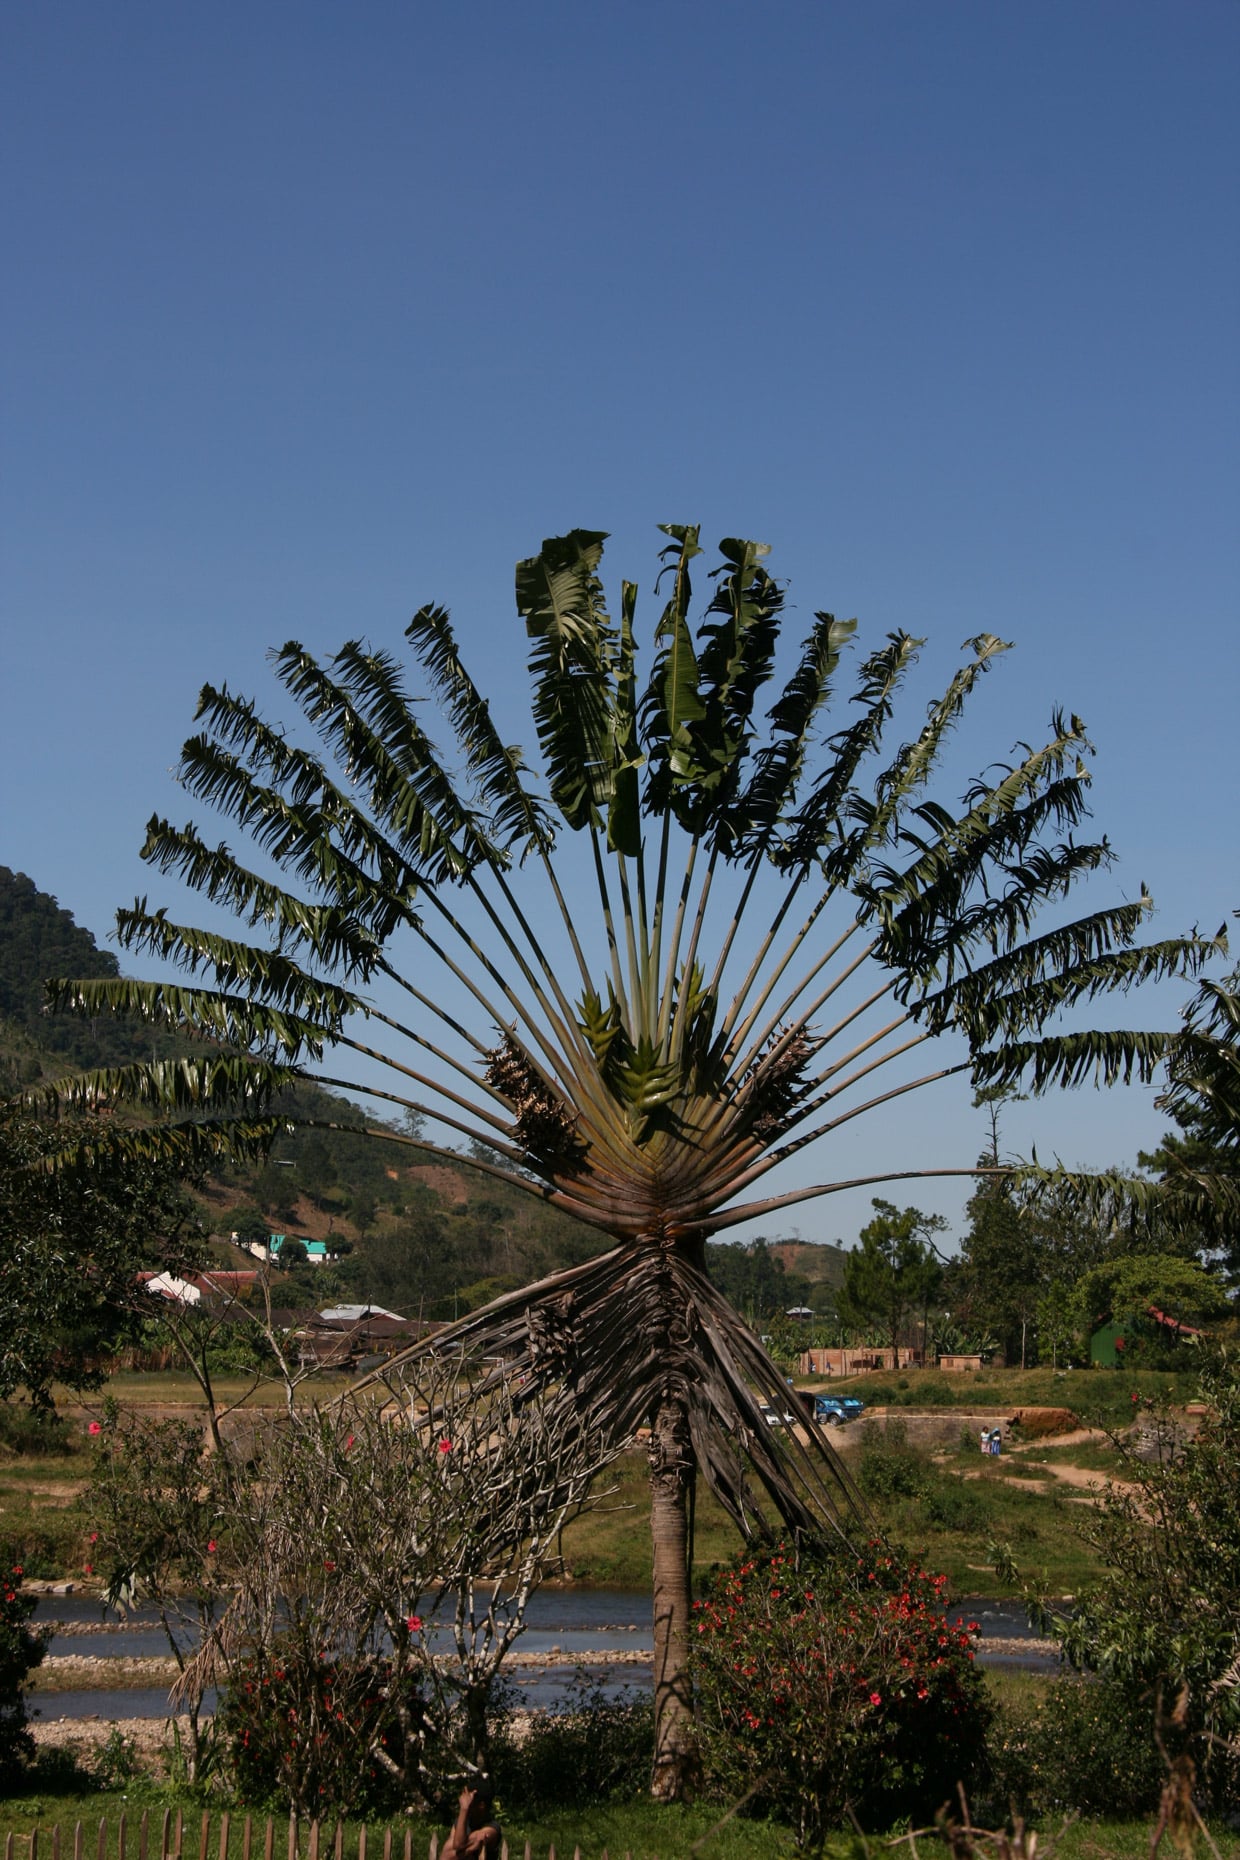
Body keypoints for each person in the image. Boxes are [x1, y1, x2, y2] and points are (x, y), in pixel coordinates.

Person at [440, 1782, 502, 1859]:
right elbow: (447, 1852)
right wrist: (469, 1849)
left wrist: (464, 1809)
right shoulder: (460, 1823)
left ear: (481, 1805)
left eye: (469, 1801)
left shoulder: (492, 1828)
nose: (464, 1803)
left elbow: (458, 1845)